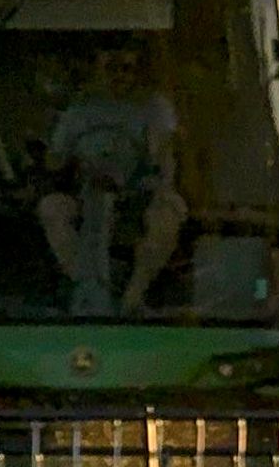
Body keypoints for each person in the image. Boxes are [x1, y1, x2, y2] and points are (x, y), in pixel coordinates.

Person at [37, 42, 186, 315]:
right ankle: (88, 290)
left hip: (140, 195)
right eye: (111, 68)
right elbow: (53, 160)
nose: (120, 76)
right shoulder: (79, 110)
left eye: (126, 69)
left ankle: (132, 297)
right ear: (99, 70)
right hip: (86, 194)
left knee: (167, 217)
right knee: (52, 208)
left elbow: (162, 155)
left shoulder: (154, 106)